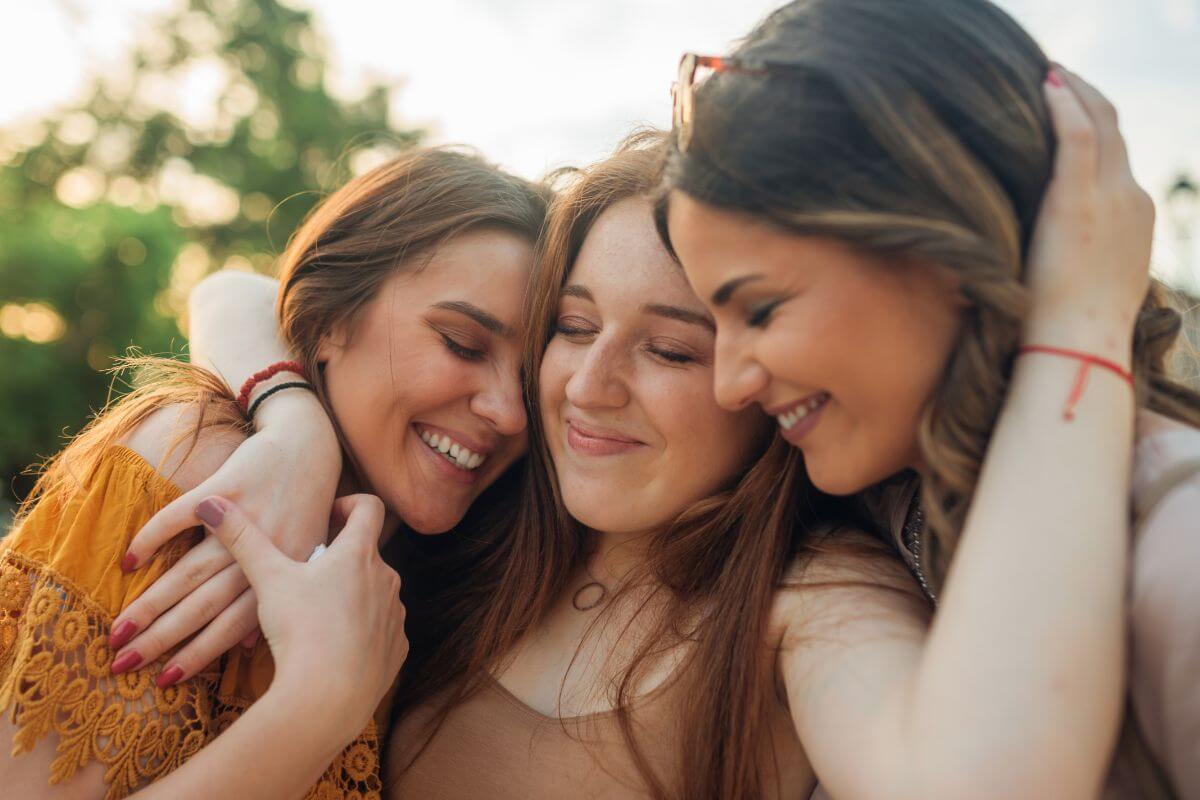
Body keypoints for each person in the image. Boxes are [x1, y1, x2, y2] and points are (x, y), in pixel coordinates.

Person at [659, 0, 1200, 797]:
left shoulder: (1179, 551)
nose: (729, 385)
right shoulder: (885, 511)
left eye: (762, 310)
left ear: (944, 246)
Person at [0, 146, 548, 798]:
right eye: (462, 344)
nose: (509, 412)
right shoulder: (203, 471)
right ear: (333, 318)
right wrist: (318, 704)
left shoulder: (423, 568)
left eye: (531, 377)